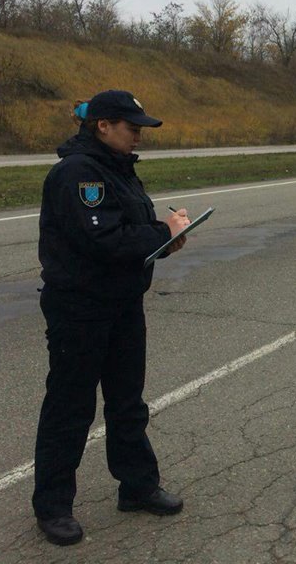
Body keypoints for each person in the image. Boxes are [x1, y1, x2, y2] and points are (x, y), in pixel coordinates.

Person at [32, 90, 191, 546]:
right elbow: (103, 239)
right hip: (80, 309)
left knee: (127, 401)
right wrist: (162, 232)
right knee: (70, 407)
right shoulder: (78, 173)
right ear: (102, 125)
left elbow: (128, 232)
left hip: (121, 302)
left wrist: (165, 239)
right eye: (131, 126)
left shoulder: (118, 168)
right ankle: (53, 506)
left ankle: (137, 486)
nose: (138, 134)